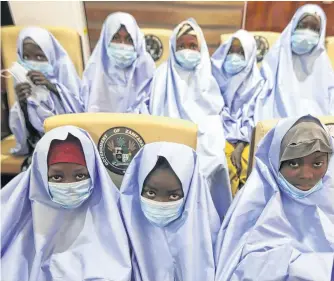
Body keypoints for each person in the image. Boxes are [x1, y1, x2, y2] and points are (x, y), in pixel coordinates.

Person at [1, 126, 132, 280]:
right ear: (40, 177)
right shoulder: (14, 224)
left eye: (80, 176)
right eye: (57, 177)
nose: (69, 185)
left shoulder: (117, 217)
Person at [214, 115, 334, 280]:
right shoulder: (253, 207)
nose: (307, 175)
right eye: (293, 163)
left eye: (317, 164)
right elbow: (243, 269)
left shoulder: (329, 196)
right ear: (275, 160)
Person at [119, 142, 222, 281]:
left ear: (191, 193)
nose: (161, 203)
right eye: (150, 193)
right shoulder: (121, 226)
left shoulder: (208, 233)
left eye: (174, 196)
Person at [8, 27, 83, 158]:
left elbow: (81, 114)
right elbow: (28, 137)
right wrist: (22, 104)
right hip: (39, 150)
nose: (32, 62)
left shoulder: (65, 81)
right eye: (26, 57)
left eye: (40, 57)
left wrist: (52, 87)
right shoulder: (23, 86)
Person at [253, 4, 334, 123]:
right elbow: (260, 100)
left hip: (317, 132)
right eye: (302, 25)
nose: (307, 33)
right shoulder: (275, 58)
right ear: (293, 26)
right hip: (278, 128)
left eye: (314, 28)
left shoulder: (324, 67)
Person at [212, 30, 264, 196]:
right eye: (231, 51)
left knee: (248, 163)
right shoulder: (213, 77)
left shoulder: (257, 83)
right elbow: (212, 111)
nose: (234, 56)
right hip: (219, 133)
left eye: (241, 52)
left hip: (248, 137)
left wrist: (240, 145)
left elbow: (254, 118)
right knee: (225, 165)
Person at [147, 18, 225, 124]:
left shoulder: (207, 77)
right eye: (181, 46)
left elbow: (214, 114)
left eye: (193, 46)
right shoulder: (161, 75)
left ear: (201, 49)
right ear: (174, 49)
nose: (187, 51)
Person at [81, 12, 155, 113]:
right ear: (106, 39)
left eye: (129, 39)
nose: (122, 45)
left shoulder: (147, 69)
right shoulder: (93, 70)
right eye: (115, 38)